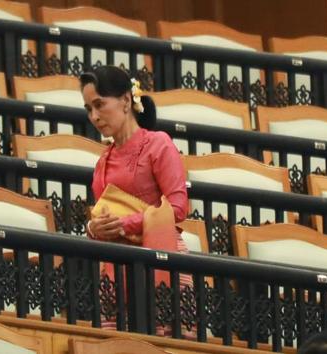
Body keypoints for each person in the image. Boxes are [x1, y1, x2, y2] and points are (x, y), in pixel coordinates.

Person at [80, 66, 191, 331]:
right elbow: (102, 216)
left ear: (126, 101)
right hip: (115, 265)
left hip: (161, 257)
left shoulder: (158, 144)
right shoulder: (102, 162)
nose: (94, 116)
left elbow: (177, 207)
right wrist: (93, 228)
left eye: (99, 105)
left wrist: (124, 225)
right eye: (88, 109)